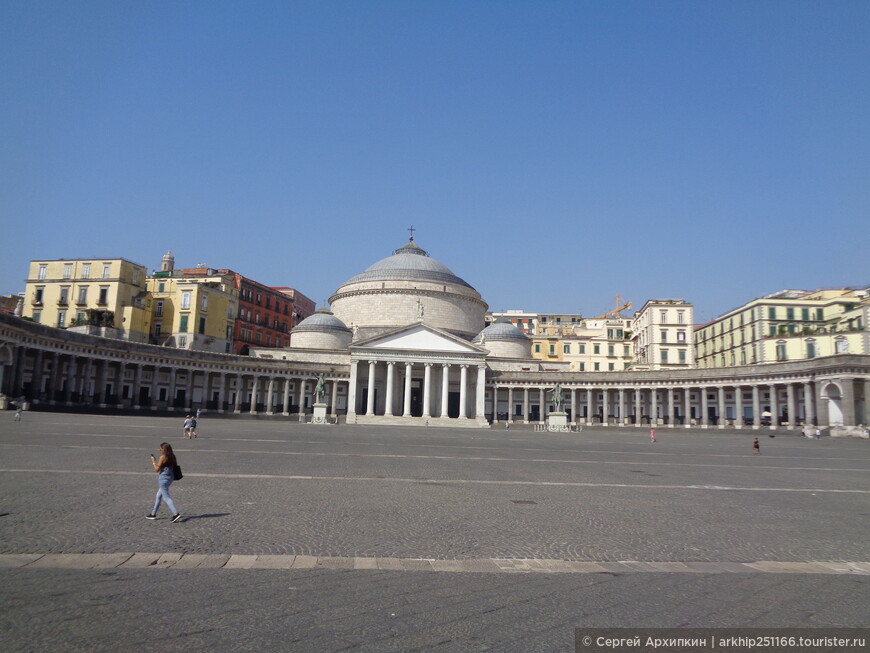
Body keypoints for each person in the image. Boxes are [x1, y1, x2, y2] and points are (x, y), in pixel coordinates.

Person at [146, 442, 182, 522]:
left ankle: (175, 513)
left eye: (161, 449)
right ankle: (153, 514)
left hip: (163, 478)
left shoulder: (163, 457)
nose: (160, 450)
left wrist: (153, 461)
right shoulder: (173, 456)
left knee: (166, 497)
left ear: (164, 449)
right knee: (158, 495)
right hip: (170, 477)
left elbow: (156, 469)